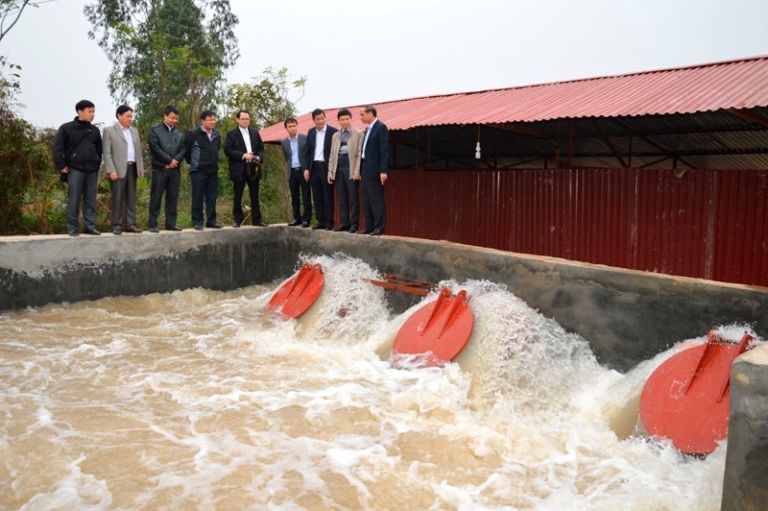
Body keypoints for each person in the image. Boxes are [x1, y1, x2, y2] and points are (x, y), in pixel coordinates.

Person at [52, 99, 103, 236]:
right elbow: (57, 148)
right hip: (75, 169)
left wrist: (97, 163)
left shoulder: (94, 130)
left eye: (93, 112)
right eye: (89, 111)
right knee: (74, 199)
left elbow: (99, 150)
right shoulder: (67, 128)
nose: (92, 114)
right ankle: (73, 228)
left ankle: (90, 226)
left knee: (90, 200)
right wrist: (61, 165)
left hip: (92, 170)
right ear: (79, 112)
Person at [102, 104, 145, 235]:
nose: (130, 119)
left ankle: (130, 224)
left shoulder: (134, 131)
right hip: (118, 169)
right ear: (119, 116)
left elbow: (138, 151)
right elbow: (107, 153)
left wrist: (140, 167)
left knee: (131, 198)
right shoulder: (109, 131)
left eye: (131, 116)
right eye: (127, 116)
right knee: (118, 198)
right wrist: (111, 170)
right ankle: (116, 224)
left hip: (133, 168)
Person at [224, 110, 266, 227]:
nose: (245, 121)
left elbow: (261, 148)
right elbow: (228, 150)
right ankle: (237, 220)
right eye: (243, 119)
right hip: (239, 168)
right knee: (238, 194)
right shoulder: (231, 134)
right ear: (237, 120)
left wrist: (259, 157)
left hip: (253, 168)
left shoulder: (254, 133)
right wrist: (243, 155)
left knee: (255, 194)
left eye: (247, 119)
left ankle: (257, 220)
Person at [147, 105, 185, 232]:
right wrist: (169, 161)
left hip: (175, 171)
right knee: (156, 197)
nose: (174, 121)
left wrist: (175, 161)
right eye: (172, 118)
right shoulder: (154, 130)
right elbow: (155, 148)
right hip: (160, 169)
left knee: (172, 198)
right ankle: (152, 224)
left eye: (176, 119)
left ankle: (171, 224)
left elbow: (183, 149)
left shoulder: (179, 134)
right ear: (165, 116)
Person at [327, 108, 363, 233]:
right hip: (338, 167)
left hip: (351, 167)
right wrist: (330, 172)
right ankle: (344, 223)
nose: (345, 121)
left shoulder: (358, 133)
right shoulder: (335, 136)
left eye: (347, 119)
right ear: (338, 121)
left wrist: (357, 171)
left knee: (353, 197)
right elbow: (332, 154)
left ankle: (354, 224)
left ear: (351, 119)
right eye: (342, 119)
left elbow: (359, 154)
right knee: (341, 198)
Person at [184, 110, 221, 230]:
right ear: (203, 121)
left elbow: (217, 148)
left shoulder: (216, 134)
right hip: (198, 170)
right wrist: (193, 163)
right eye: (209, 119)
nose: (212, 122)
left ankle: (211, 221)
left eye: (213, 119)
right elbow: (187, 151)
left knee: (212, 197)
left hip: (213, 170)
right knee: (197, 196)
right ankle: (197, 222)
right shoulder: (193, 134)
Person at [304, 108, 338, 230]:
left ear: (325, 117)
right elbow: (308, 151)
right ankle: (320, 221)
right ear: (313, 120)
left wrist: (332, 170)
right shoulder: (311, 132)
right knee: (317, 195)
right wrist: (307, 169)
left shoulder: (333, 132)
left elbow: (335, 153)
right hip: (314, 167)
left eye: (322, 118)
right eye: (318, 119)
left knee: (327, 195)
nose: (320, 121)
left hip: (326, 167)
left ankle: (329, 222)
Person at [359, 105, 389, 235]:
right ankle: (369, 226)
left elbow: (384, 150)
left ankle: (379, 227)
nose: (361, 117)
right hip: (365, 167)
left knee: (376, 199)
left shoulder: (381, 127)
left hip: (375, 169)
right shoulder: (367, 129)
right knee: (366, 198)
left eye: (362, 115)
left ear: (371, 113)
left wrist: (383, 171)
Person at [281, 118, 311, 227]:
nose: (292, 128)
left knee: (306, 195)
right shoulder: (284, 142)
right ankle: (296, 218)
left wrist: (307, 169)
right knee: (294, 196)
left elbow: (308, 155)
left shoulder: (304, 138)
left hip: (303, 171)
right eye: (290, 126)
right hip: (292, 172)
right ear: (286, 128)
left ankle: (306, 219)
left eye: (294, 125)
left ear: (297, 126)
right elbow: (286, 157)